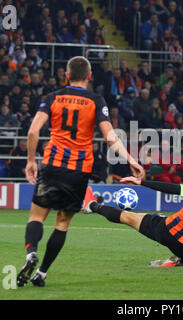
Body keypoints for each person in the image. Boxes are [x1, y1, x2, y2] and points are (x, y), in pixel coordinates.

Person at [16, 56, 144, 287]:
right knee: (62, 223)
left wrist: (30, 161)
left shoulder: (52, 97)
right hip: (78, 169)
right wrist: (130, 159)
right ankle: (42, 272)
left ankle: (30, 252)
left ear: (66, 75)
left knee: (36, 216)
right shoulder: (96, 100)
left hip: (52, 164)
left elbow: (33, 132)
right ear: (89, 76)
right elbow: (110, 136)